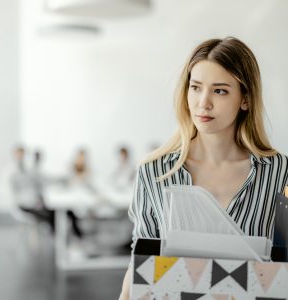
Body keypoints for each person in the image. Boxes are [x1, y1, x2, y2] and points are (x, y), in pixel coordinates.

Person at [119, 37, 288, 299]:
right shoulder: (154, 172)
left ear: (245, 99)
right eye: (196, 88)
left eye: (220, 91)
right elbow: (140, 260)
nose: (203, 103)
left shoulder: (279, 172)